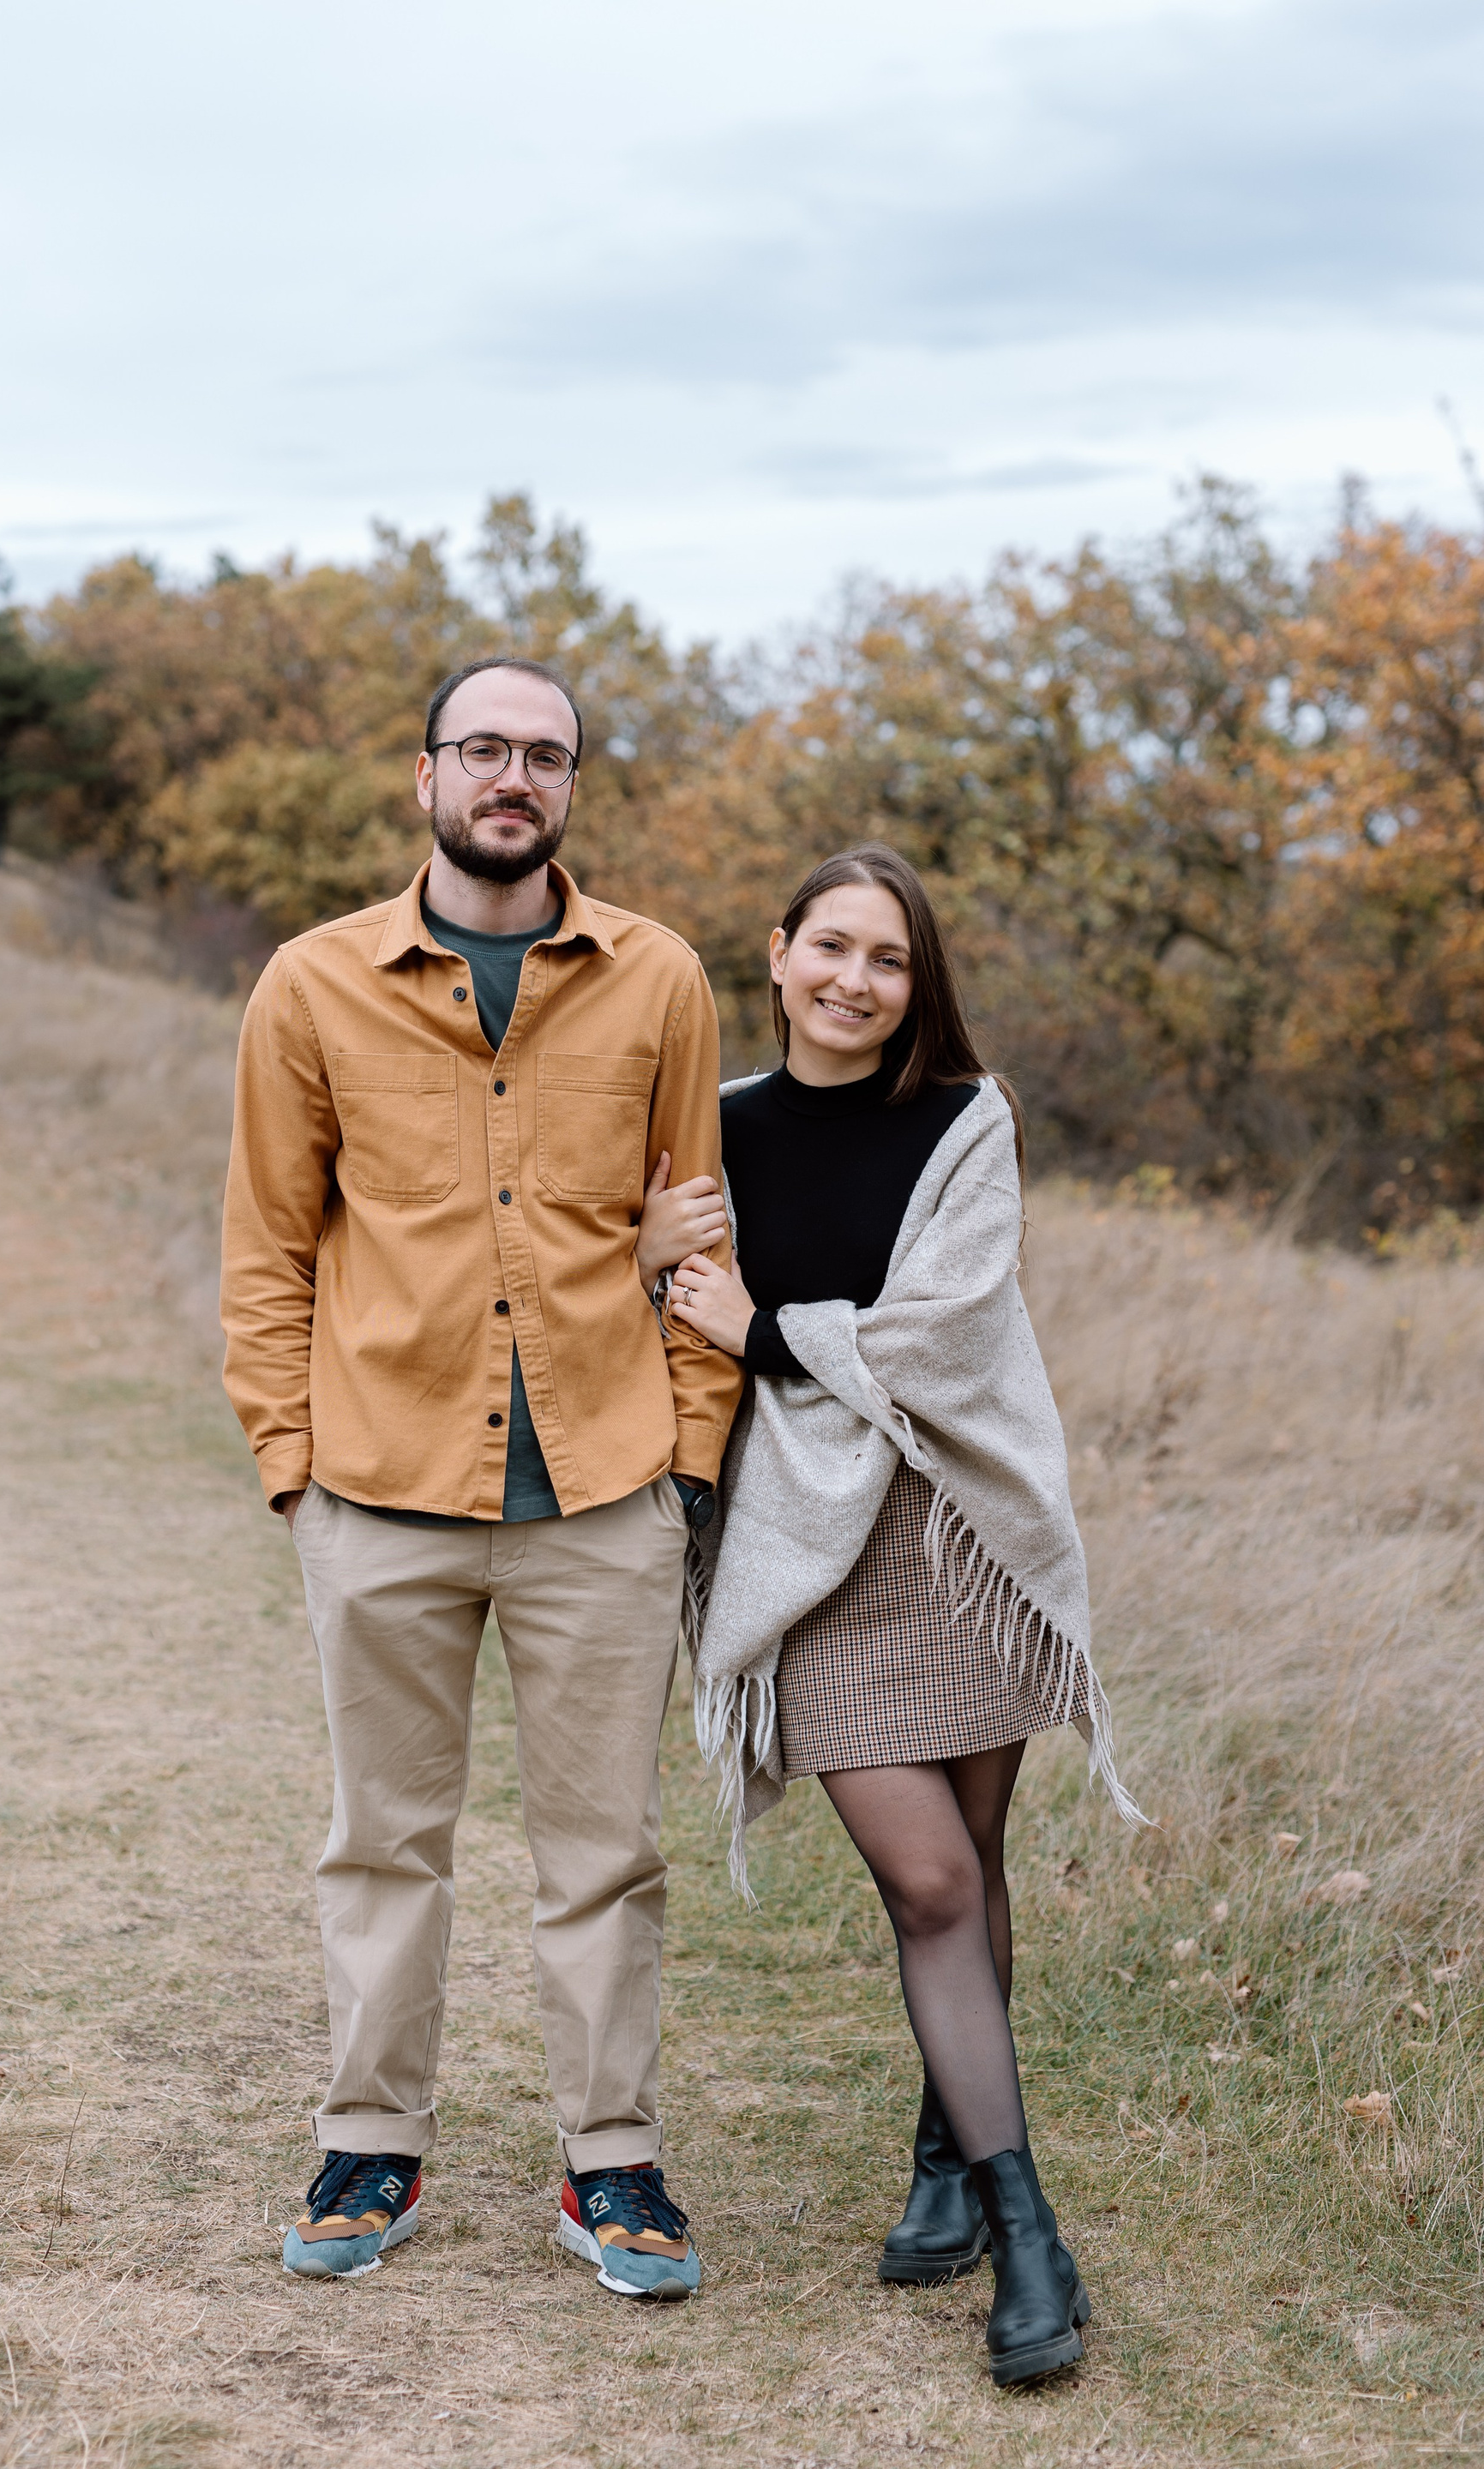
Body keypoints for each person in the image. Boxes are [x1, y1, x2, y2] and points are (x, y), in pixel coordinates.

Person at [220, 655, 742, 2299]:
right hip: (379, 1488)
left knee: (606, 1853)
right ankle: (370, 2140)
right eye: (486, 749)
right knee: (384, 1841)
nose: (515, 778)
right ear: (427, 775)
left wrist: (693, 1461)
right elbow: (267, 1246)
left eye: (547, 756)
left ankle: (612, 2165)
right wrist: (294, 1470)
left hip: (603, 1495)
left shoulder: (660, 978)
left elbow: (700, 1235)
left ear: (572, 787)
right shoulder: (313, 985)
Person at [634, 843, 1141, 2385]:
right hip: (808, 1550)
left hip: (964, 1528)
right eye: (832, 947)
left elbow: (948, 1332)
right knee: (927, 1882)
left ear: (920, 986)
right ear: (776, 952)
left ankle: (949, 2163)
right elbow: (649, 1315)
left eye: (890, 959)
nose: (855, 981)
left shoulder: (967, 1120)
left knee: (975, 1861)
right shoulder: (715, 1129)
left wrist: (760, 1327)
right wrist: (650, 1266)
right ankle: (1031, 2232)